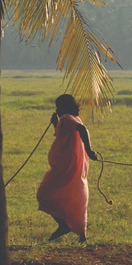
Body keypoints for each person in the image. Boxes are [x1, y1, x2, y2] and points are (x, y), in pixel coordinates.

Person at [36, 94, 98, 242]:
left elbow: (82, 129)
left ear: (64, 107)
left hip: (65, 167)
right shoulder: (70, 119)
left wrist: (89, 150)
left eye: (58, 107)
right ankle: (81, 235)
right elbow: (64, 134)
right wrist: (55, 124)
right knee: (74, 193)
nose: (57, 110)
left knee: (43, 194)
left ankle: (64, 225)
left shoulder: (66, 118)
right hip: (73, 166)